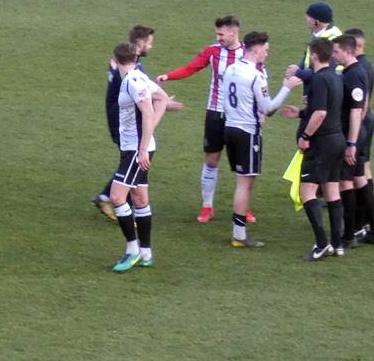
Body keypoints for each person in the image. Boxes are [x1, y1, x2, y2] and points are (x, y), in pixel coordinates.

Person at [157, 16, 256, 223]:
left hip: (240, 116)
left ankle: (243, 208)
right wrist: (168, 76)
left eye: (221, 34)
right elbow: (190, 68)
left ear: (233, 33)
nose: (218, 37)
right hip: (215, 113)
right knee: (211, 160)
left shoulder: (249, 53)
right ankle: (207, 206)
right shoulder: (213, 51)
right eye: (216, 34)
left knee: (243, 164)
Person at [92, 25, 182, 220]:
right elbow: (142, 91)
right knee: (134, 160)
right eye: (149, 42)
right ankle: (111, 198)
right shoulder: (132, 68)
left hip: (119, 118)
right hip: (124, 122)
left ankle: (122, 199)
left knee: (134, 161)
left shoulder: (121, 61)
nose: (151, 46)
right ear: (140, 44)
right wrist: (164, 103)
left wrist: (161, 99)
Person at [221, 32, 300, 248]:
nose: (267, 52)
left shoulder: (230, 69)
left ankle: (239, 232)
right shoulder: (256, 75)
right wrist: (287, 87)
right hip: (247, 132)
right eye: (266, 49)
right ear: (256, 50)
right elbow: (268, 108)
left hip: (230, 128)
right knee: (244, 184)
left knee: (244, 181)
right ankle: (239, 235)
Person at [108, 42, 169, 273]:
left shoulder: (133, 82)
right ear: (136, 57)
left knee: (116, 196)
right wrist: (149, 135)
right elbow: (162, 99)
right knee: (140, 198)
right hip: (136, 147)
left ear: (115, 61)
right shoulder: (139, 77)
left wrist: (143, 148)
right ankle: (146, 254)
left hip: (136, 149)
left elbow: (147, 111)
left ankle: (132, 251)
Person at [284, 38, 345, 261]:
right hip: (338, 139)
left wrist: (305, 136)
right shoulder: (336, 77)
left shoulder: (319, 79)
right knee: (332, 191)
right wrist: (299, 113)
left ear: (315, 55)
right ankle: (337, 244)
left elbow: (320, 113)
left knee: (306, 192)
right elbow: (326, 108)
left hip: (321, 143)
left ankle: (321, 244)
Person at [333, 35, 369, 250]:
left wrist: (352, 143)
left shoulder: (354, 74)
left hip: (350, 135)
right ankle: (355, 229)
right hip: (350, 134)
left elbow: (357, 111)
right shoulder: (349, 72)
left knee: (346, 183)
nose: (334, 56)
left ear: (348, 51)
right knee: (355, 180)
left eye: (336, 52)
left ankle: (349, 234)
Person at [345, 29, 374, 243]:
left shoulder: (359, 69)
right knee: (362, 172)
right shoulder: (365, 65)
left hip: (359, 126)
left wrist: (353, 137)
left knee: (357, 177)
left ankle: (362, 224)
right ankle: (363, 222)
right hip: (364, 124)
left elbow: (361, 106)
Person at [286, 2, 343, 82]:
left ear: (316, 22)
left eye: (309, 17)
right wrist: (298, 68)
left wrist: (297, 72)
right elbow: (308, 55)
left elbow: (324, 72)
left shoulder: (332, 40)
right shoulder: (318, 33)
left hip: (325, 85)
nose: (306, 19)